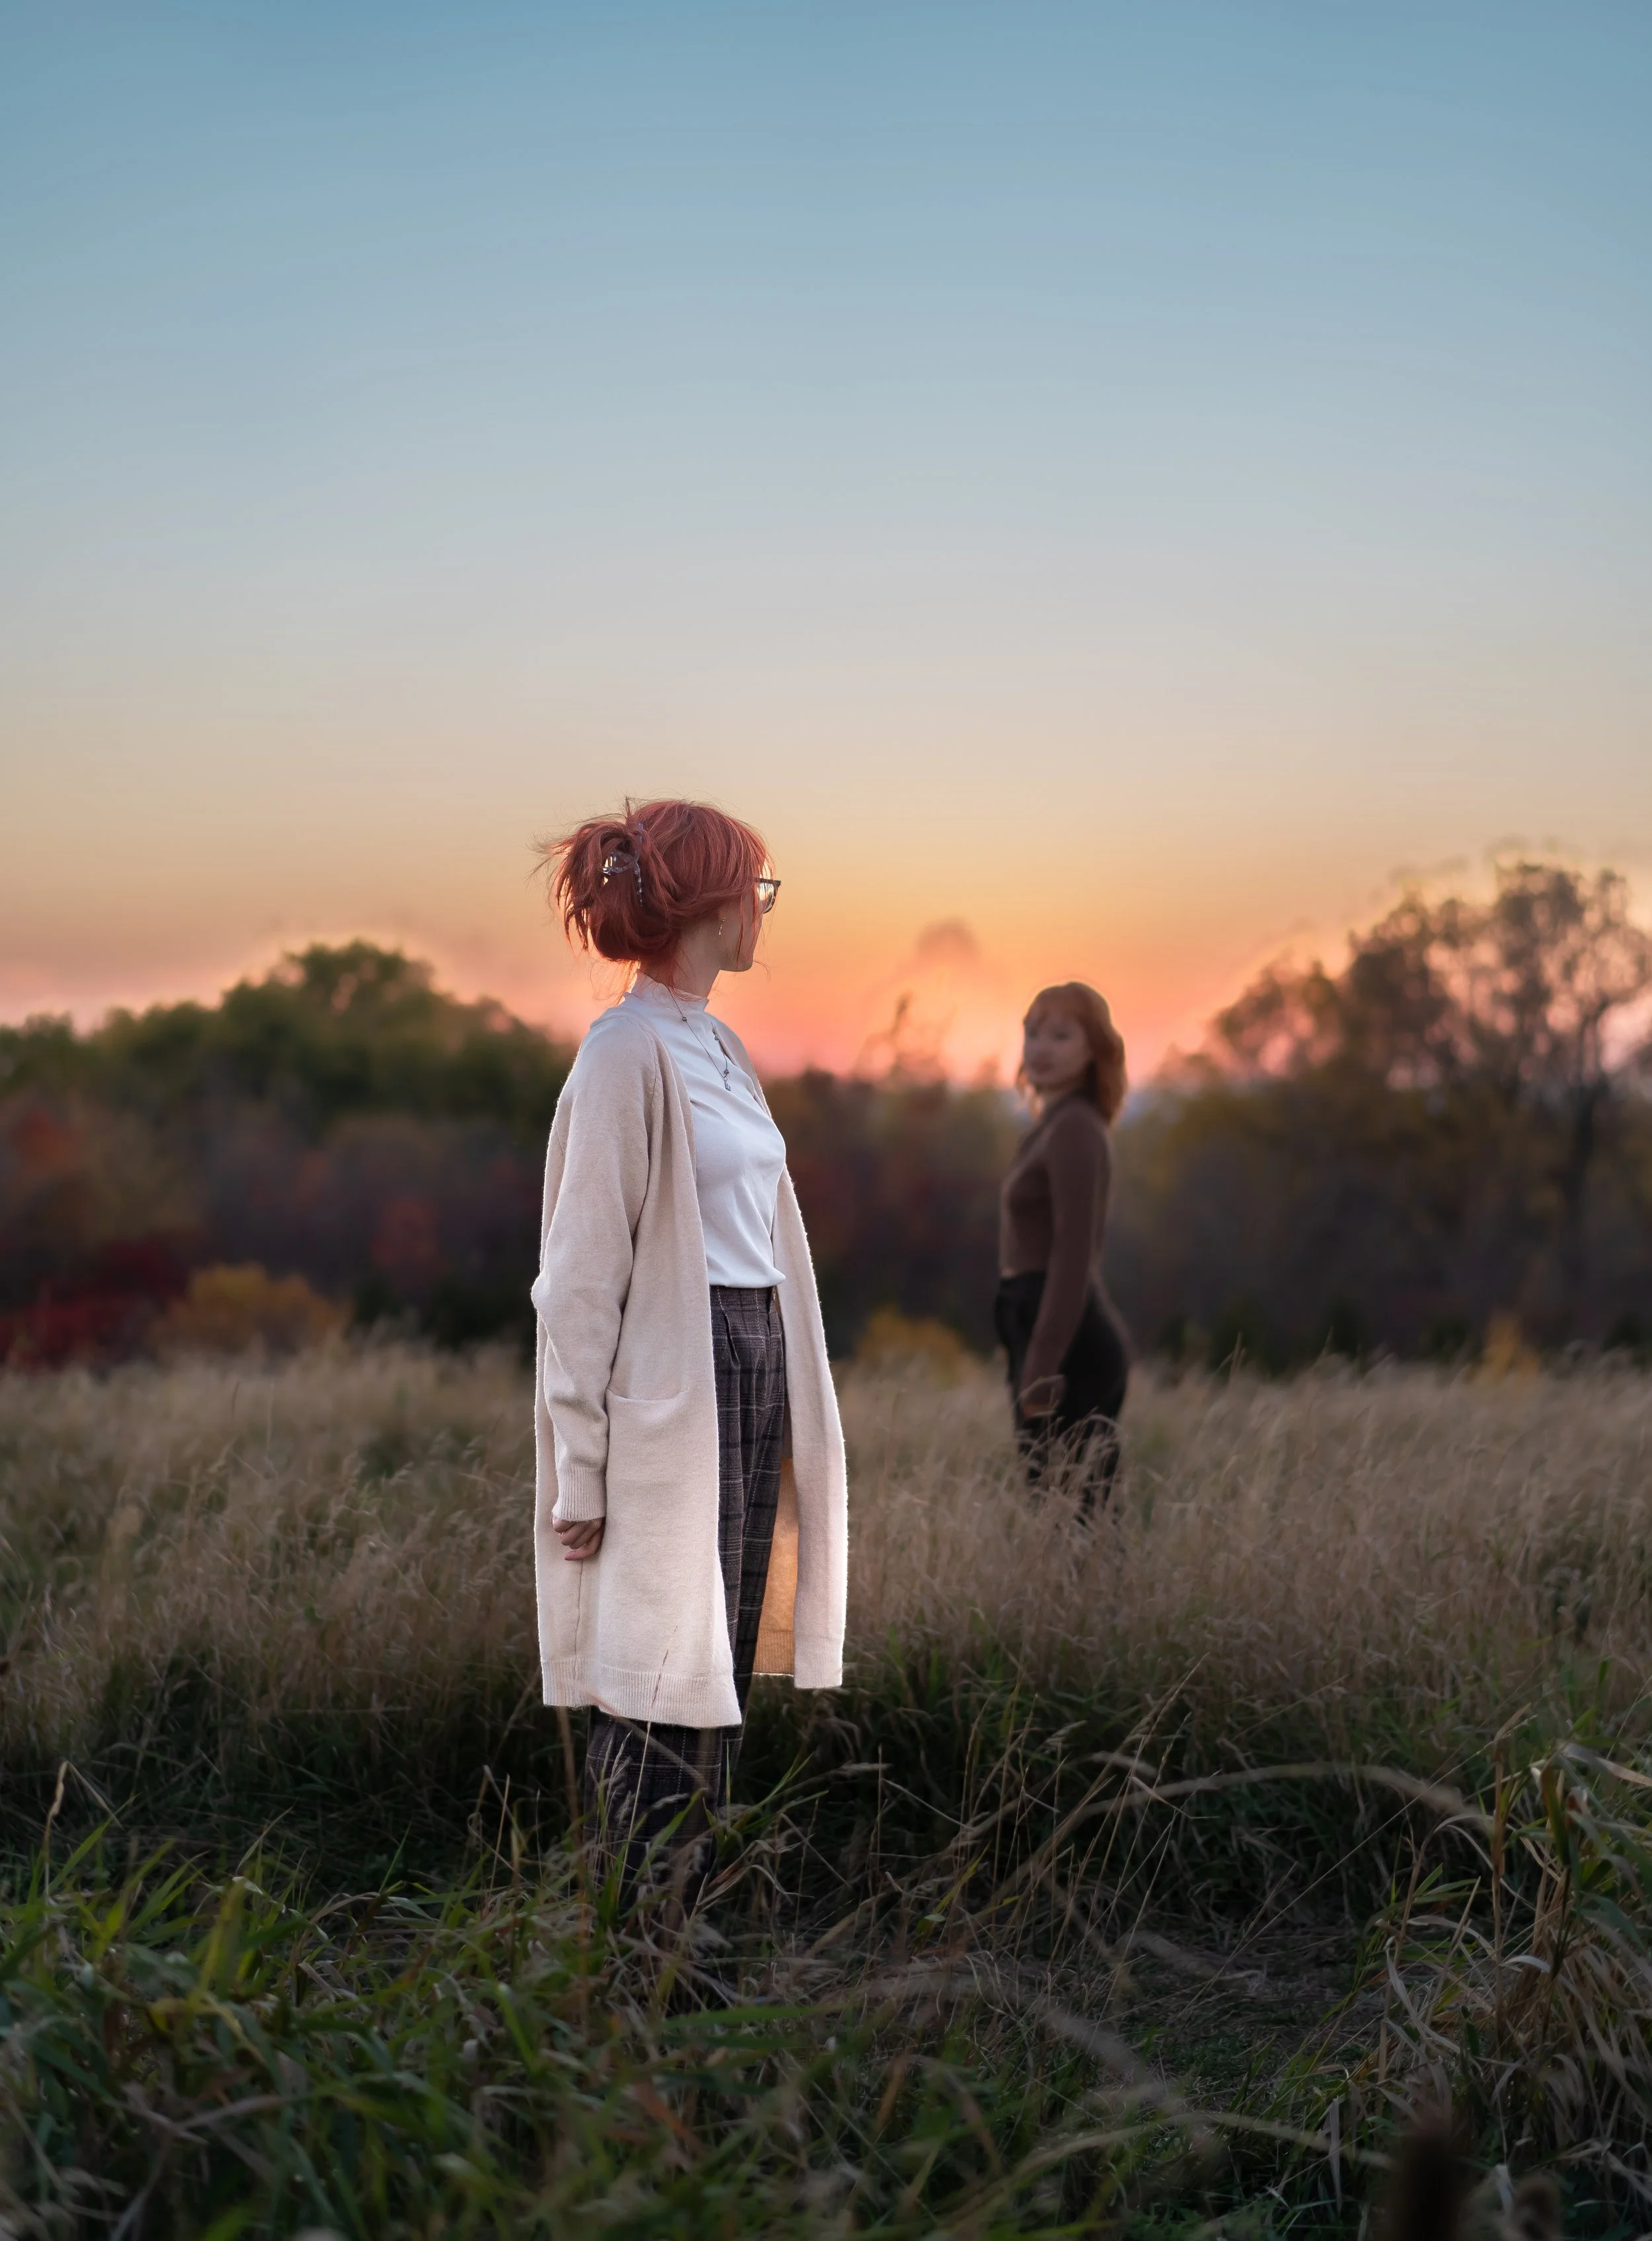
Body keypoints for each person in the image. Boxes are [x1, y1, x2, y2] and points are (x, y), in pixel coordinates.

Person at [529, 800, 846, 1905]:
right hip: (679, 1376)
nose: (763, 912)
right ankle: (635, 1958)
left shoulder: (716, 1042)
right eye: (756, 888)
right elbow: (577, 1281)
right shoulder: (623, 1052)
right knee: (660, 1677)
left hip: (750, 1359)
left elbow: (757, 1230)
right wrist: (580, 1468)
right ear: (710, 899)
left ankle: (691, 1941)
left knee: (717, 1674)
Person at [995, 982, 1131, 1513]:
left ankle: (1096, 1599)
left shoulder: (1076, 1128)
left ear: (1094, 1049)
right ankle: (1080, 1598)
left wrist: (1043, 1362)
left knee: (1076, 1513)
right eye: (1032, 1032)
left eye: (1060, 1034)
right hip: (1038, 1322)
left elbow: (1075, 1258)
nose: (1041, 1047)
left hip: (1068, 1341)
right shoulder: (1054, 1124)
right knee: (1055, 1501)